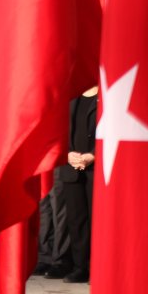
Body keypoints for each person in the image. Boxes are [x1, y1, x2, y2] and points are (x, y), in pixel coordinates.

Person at [56, 87, 97, 283]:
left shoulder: (106, 96)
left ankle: (96, 267)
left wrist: (93, 155)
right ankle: (80, 267)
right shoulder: (71, 96)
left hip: (96, 168)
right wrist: (66, 153)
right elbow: (57, 131)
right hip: (71, 167)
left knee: (97, 219)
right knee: (76, 219)